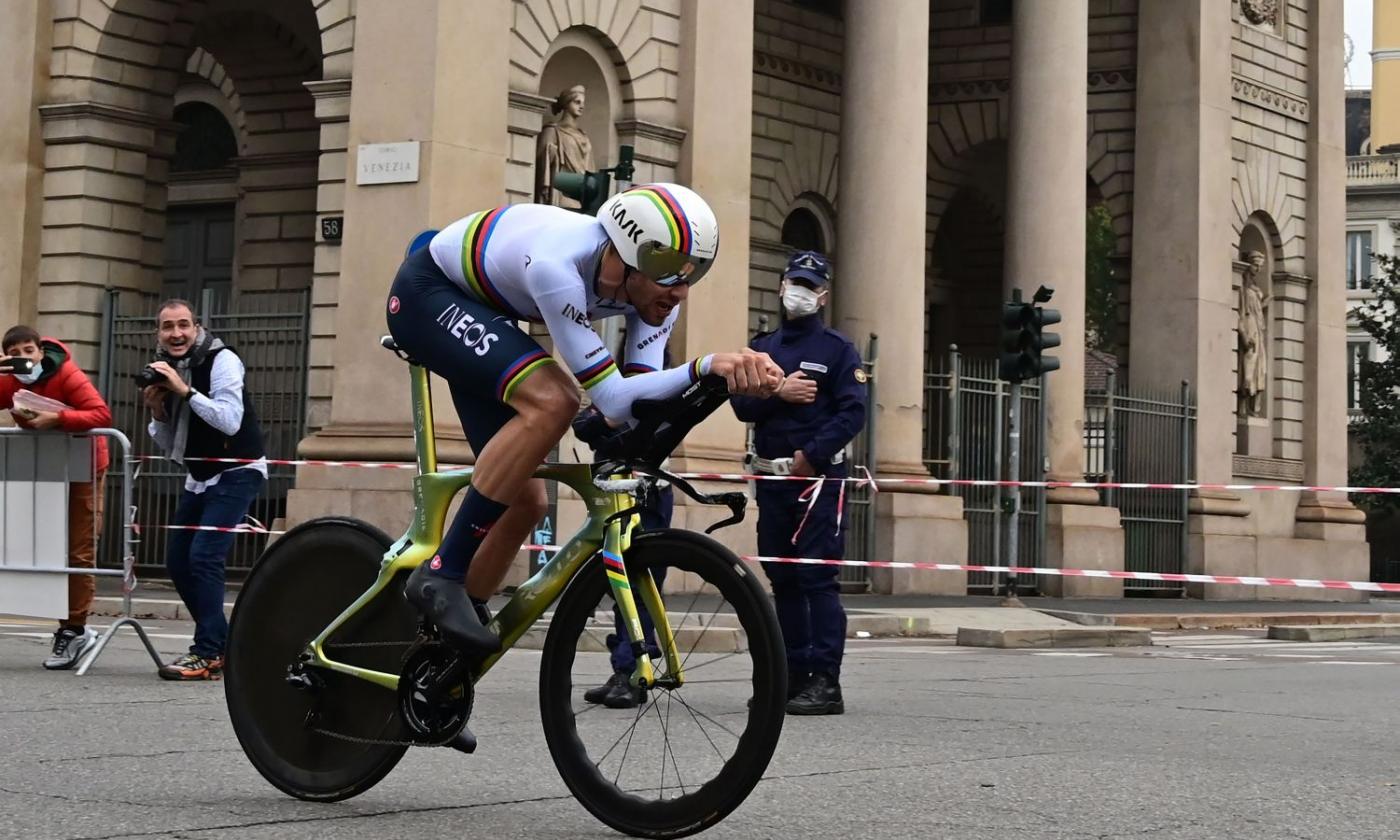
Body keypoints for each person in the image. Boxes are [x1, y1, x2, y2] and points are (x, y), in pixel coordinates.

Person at [384, 183, 783, 663]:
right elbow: (612, 396)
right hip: (429, 294)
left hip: (487, 312)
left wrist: (725, 384)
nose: (681, 290)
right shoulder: (560, 267)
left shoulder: (654, 300)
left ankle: (440, 660)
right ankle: (442, 574)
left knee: (524, 503)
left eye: (694, 272)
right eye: (671, 272)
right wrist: (706, 366)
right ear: (627, 253)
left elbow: (638, 397)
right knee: (554, 400)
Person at [730, 251, 866, 716]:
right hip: (771, 478)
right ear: (781, 284)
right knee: (782, 577)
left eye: (810, 286)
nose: (800, 292)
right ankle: (790, 673)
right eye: (795, 282)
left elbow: (854, 410)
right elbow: (741, 406)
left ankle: (825, 681)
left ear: (823, 294)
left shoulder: (837, 349)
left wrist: (815, 454)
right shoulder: (762, 346)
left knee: (816, 577)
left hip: (817, 480)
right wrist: (777, 390)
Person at [143, 299, 266, 681]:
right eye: (168, 327)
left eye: (183, 325)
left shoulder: (223, 360)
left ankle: (209, 650)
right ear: (159, 334)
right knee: (178, 562)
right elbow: (169, 443)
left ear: (196, 327)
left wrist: (184, 391)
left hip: (238, 469)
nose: (176, 333)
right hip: (199, 475)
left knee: (204, 556)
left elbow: (230, 422)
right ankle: (224, 644)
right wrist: (158, 412)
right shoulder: (167, 368)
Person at [0, 325, 113, 670]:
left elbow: (102, 414)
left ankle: (74, 629)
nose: (23, 358)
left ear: (40, 351)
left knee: (78, 548)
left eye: (28, 350)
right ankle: (60, 622)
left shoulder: (66, 372)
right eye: (14, 353)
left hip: (83, 466)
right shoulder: (9, 379)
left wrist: (58, 418)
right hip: (40, 467)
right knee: (36, 544)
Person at [572, 348, 676, 709]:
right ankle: (623, 667)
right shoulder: (614, 391)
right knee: (619, 584)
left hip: (648, 495)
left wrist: (612, 423)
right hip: (613, 495)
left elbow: (652, 436)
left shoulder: (670, 394)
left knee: (639, 583)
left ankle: (635, 672)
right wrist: (608, 421)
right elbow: (584, 426)